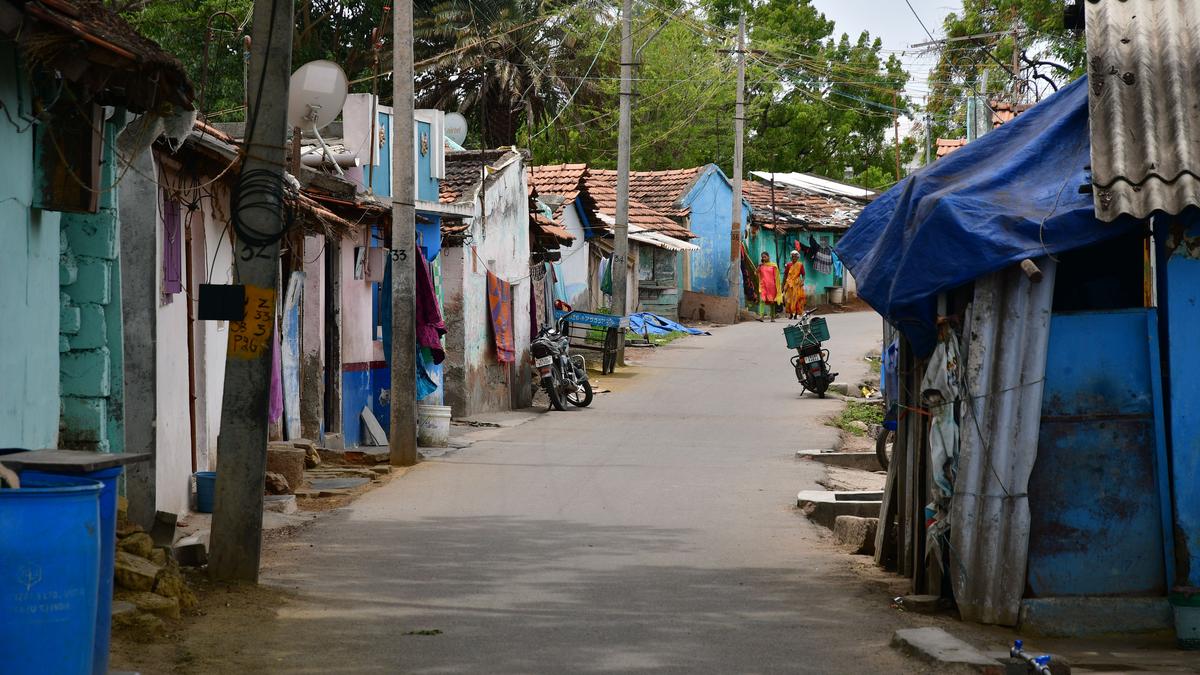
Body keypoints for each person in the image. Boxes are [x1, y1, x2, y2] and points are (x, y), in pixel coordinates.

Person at [756, 251, 782, 322]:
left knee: (772, 302)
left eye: (765, 257)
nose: (764, 258)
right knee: (762, 300)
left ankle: (772, 317)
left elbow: (777, 277)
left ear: (768, 257)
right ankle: (761, 316)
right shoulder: (761, 266)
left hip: (772, 286)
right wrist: (759, 266)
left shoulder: (773, 266)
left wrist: (778, 288)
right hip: (763, 286)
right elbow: (756, 273)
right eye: (762, 257)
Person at [784, 249, 807, 319]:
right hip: (789, 284)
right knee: (788, 300)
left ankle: (796, 314)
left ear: (797, 257)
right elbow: (785, 275)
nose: (794, 258)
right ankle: (790, 313)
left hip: (797, 284)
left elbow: (803, 274)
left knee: (797, 299)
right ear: (791, 257)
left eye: (795, 257)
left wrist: (802, 281)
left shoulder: (800, 265)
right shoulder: (788, 265)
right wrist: (784, 285)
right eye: (792, 257)